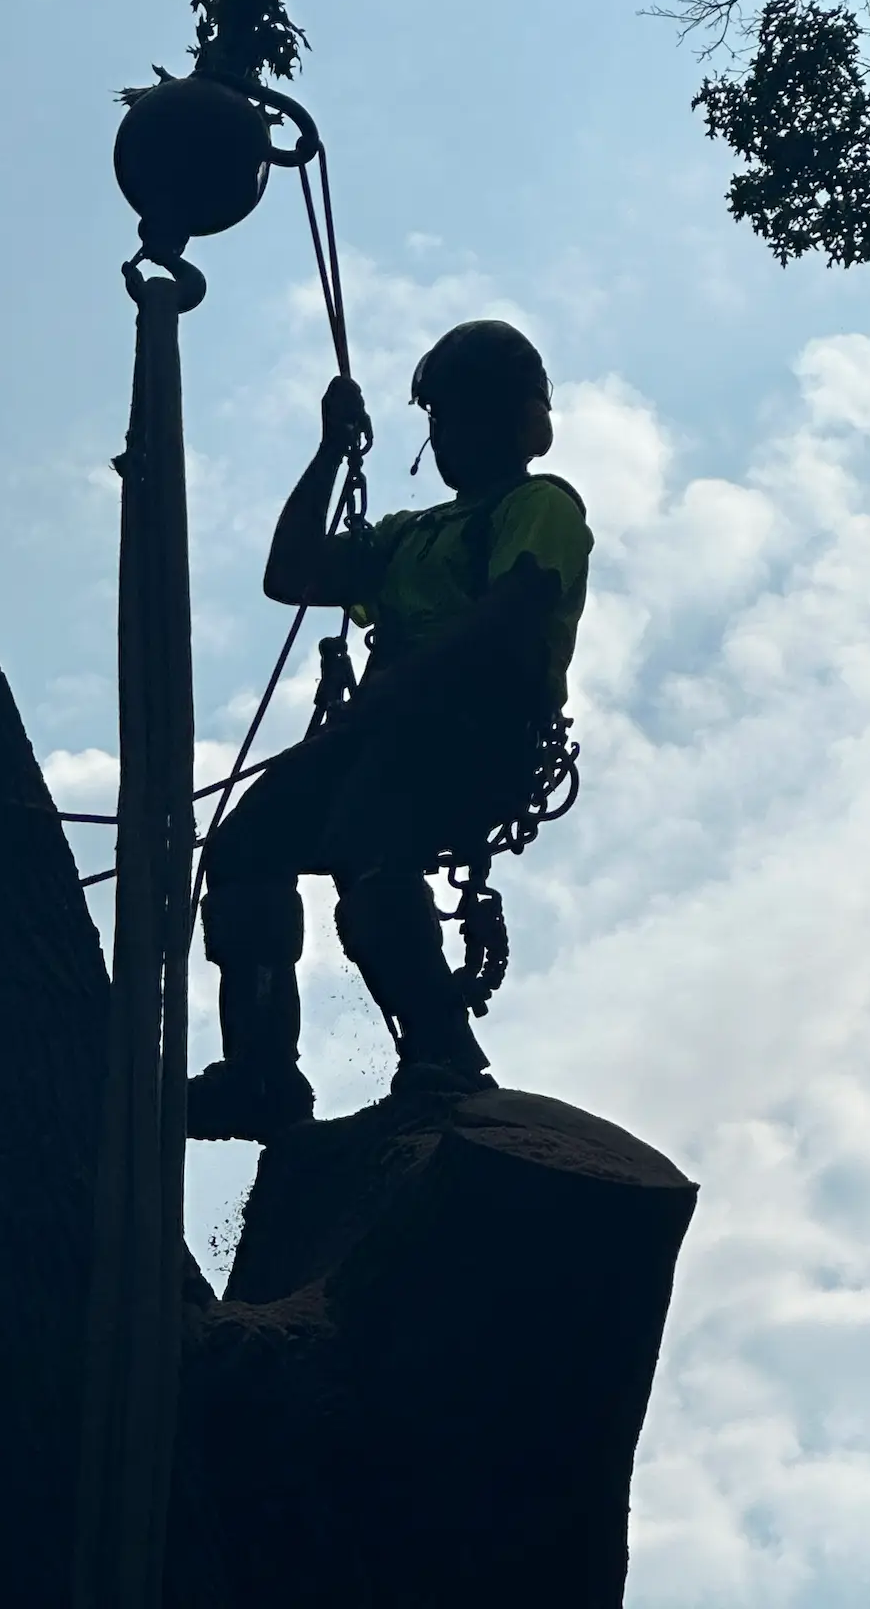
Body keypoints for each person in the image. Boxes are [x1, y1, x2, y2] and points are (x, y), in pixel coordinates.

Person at [187, 318, 594, 1143]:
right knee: (244, 848)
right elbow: (290, 573)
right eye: (442, 419)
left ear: (521, 426)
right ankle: (262, 1071)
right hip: (383, 733)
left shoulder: (538, 505)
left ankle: (440, 1051)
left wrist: (399, 686)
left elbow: (512, 612)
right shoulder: (411, 535)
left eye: (469, 415)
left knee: (371, 848)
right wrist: (332, 450)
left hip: (476, 730)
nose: (452, 434)